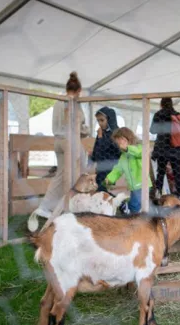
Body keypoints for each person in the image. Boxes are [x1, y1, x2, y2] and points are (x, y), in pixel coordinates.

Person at [28, 72, 88, 228]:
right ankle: (69, 209)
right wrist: (85, 130)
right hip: (70, 141)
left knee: (60, 175)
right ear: (79, 90)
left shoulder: (57, 102)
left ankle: (45, 207)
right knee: (73, 174)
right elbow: (77, 126)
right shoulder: (73, 103)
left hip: (58, 141)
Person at [105, 127, 151, 214]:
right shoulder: (123, 156)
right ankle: (130, 211)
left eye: (121, 141)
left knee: (137, 205)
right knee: (136, 205)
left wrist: (128, 148)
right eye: (117, 143)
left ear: (129, 139)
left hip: (142, 184)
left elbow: (139, 153)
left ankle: (134, 215)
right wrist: (109, 179)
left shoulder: (140, 148)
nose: (119, 145)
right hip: (133, 186)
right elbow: (118, 169)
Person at [150, 98, 180, 198]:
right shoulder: (177, 114)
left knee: (160, 172)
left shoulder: (158, 115)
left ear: (161, 104)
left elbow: (152, 130)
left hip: (162, 148)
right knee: (177, 173)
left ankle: (158, 194)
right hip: (176, 148)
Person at [91, 106, 121, 191]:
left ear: (110, 119)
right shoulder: (102, 132)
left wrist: (100, 137)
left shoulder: (116, 133)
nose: (100, 123)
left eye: (102, 120)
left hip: (110, 168)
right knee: (100, 190)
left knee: (103, 190)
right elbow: (97, 148)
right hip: (101, 167)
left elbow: (108, 148)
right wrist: (93, 157)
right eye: (98, 120)